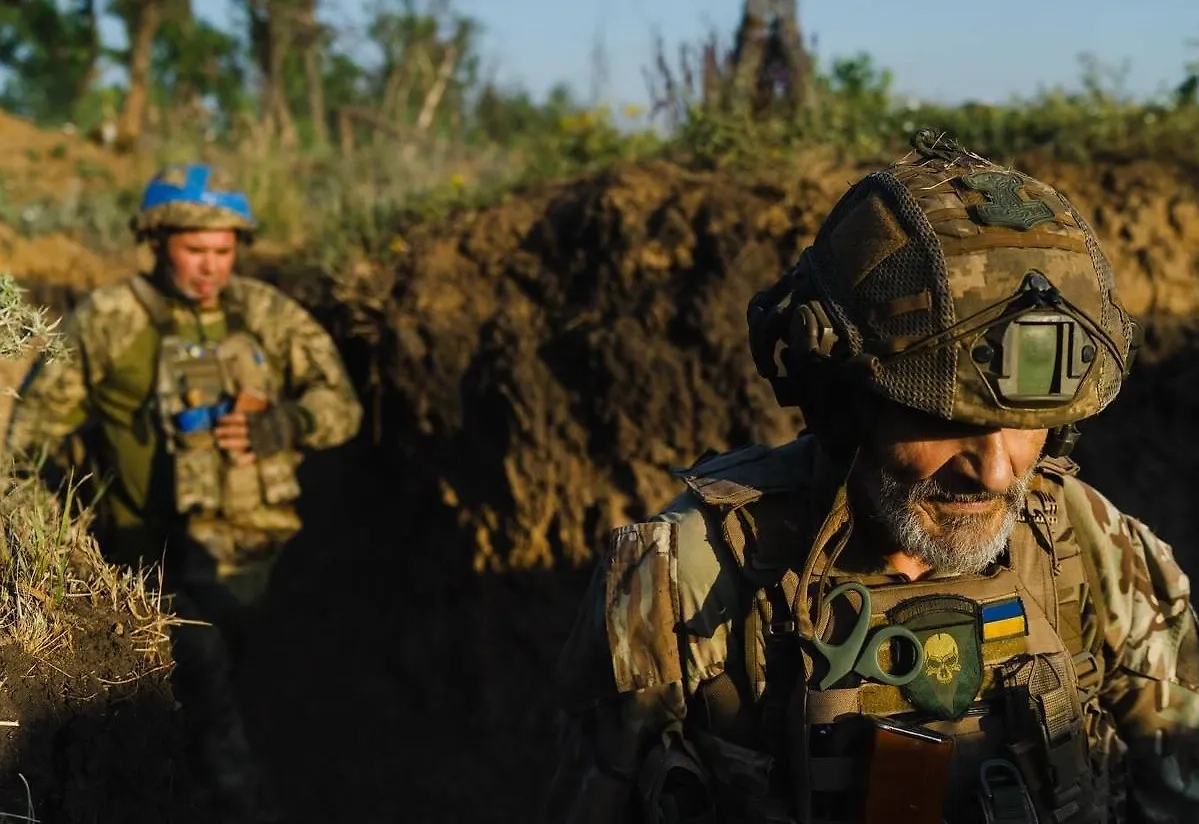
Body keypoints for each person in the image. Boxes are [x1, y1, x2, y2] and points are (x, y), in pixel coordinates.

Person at [543, 132, 1199, 824]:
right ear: (844, 401)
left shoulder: (1086, 544)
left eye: (1026, 423)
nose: (996, 470)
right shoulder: (684, 578)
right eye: (945, 420)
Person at [5, 164, 363, 821]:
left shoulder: (265, 313)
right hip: (145, 556)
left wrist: (284, 422)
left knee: (242, 679)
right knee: (195, 674)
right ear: (157, 240)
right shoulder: (111, 318)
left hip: (256, 558)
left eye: (223, 251)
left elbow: (341, 408)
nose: (210, 266)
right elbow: (32, 436)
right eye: (194, 250)